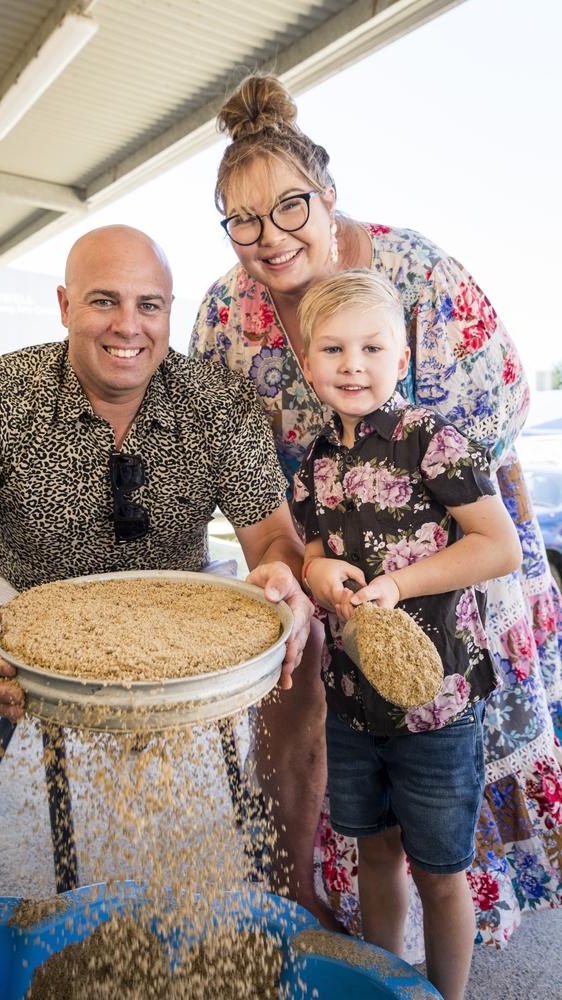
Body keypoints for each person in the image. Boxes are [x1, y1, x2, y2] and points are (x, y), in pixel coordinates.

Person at [190, 73, 562, 949]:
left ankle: (466, 910)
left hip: (452, 541)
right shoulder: (224, 315)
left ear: (326, 195)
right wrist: (299, 555)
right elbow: (233, 450)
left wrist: (420, 538)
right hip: (315, 543)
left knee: (449, 753)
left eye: (290, 208)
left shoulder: (414, 269)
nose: (270, 237)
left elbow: (498, 393)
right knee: (345, 754)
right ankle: (322, 908)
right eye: (243, 220)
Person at [0, 224, 314, 929]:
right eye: (105, 301)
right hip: (18, 602)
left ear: (168, 310)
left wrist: (284, 579)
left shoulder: (217, 405)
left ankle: (286, 892)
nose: (129, 326)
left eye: (149, 305)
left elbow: (275, 541)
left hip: (179, 609)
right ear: (66, 305)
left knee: (301, 653)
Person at [291, 269, 521, 999]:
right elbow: (310, 550)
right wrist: (318, 570)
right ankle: (383, 986)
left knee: (441, 870)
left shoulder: (433, 442)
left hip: (438, 707)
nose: (352, 364)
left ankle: (446, 994)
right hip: (355, 704)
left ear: (402, 359)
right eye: (332, 349)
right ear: (307, 363)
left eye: (370, 347)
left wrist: (400, 583)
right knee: (374, 853)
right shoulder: (315, 465)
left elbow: (497, 546)